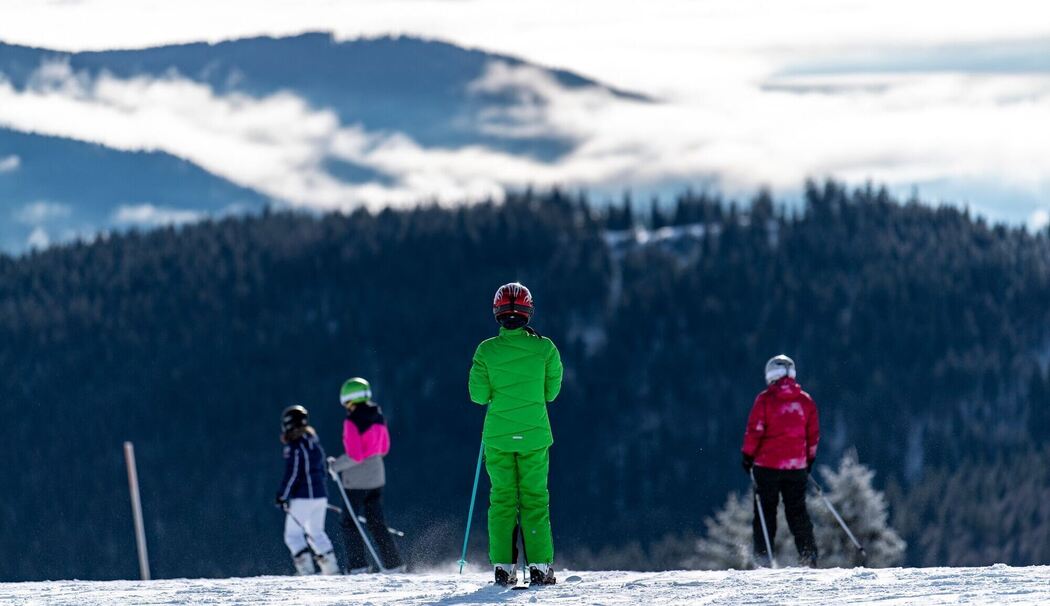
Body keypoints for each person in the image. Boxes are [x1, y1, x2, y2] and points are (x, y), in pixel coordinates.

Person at [468, 282, 563, 586]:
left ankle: (504, 567)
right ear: (528, 312)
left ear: (496, 312)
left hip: (497, 438)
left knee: (502, 500)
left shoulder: (486, 350)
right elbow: (551, 392)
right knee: (535, 499)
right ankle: (539, 566)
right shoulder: (545, 348)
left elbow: (478, 396)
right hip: (535, 436)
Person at [741, 355, 820, 567]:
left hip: (766, 466)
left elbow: (754, 431)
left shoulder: (765, 399)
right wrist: (808, 460)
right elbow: (812, 435)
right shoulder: (805, 401)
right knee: (797, 511)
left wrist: (747, 457)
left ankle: (764, 558)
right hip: (796, 467)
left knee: (765, 512)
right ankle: (808, 556)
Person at [327, 377, 404, 573]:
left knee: (349, 522)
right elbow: (384, 448)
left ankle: (358, 566)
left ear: (348, 400)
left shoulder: (352, 421)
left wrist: (335, 466)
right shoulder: (378, 416)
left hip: (357, 481)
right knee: (376, 522)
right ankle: (394, 564)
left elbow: (355, 455)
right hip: (377, 476)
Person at [275, 405, 340, 575]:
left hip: (303, 497)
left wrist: (282, 496)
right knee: (316, 532)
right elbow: (321, 469)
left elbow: (293, 473)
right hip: (320, 496)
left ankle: (307, 571)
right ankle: (331, 570)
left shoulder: (295, 446)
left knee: (293, 535)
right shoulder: (313, 442)